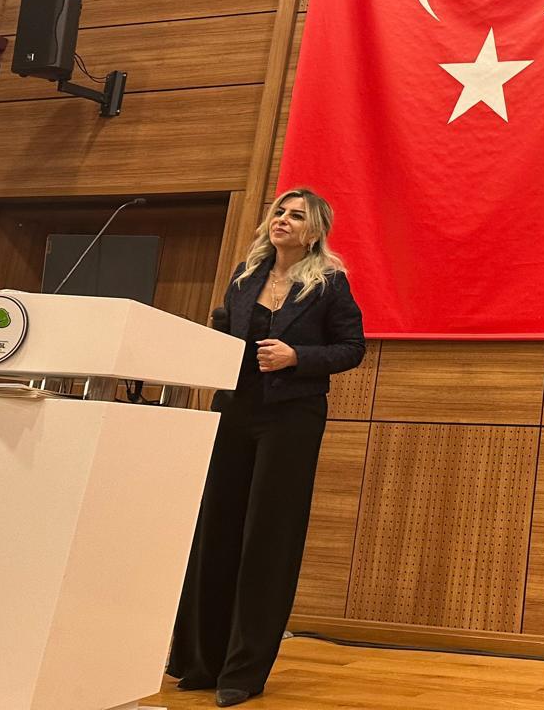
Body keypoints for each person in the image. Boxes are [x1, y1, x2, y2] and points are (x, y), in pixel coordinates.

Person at [167, 188, 366, 707]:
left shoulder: (330, 284)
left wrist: (297, 356)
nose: (283, 219)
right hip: (234, 411)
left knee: (267, 539)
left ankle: (244, 670)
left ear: (314, 231)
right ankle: (202, 661)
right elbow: (223, 327)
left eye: (296, 215)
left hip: (291, 419)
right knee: (217, 529)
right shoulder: (245, 276)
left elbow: (352, 349)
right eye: (280, 211)